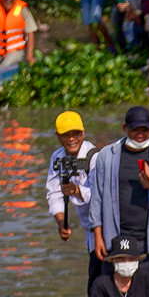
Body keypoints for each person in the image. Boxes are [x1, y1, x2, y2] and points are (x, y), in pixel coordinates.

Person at [88, 106, 149, 279]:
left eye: (145, 129)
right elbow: (97, 198)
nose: (140, 134)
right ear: (124, 127)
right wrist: (98, 237)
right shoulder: (106, 156)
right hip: (116, 238)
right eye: (135, 129)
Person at [46, 110, 100, 284]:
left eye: (76, 133)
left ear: (83, 133)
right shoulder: (57, 157)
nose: (71, 138)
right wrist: (62, 223)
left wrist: (77, 190)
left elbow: (101, 194)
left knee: (99, 278)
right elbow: (54, 192)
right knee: (95, 277)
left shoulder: (94, 157)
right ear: (58, 136)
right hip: (88, 229)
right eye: (65, 134)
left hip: (103, 227)